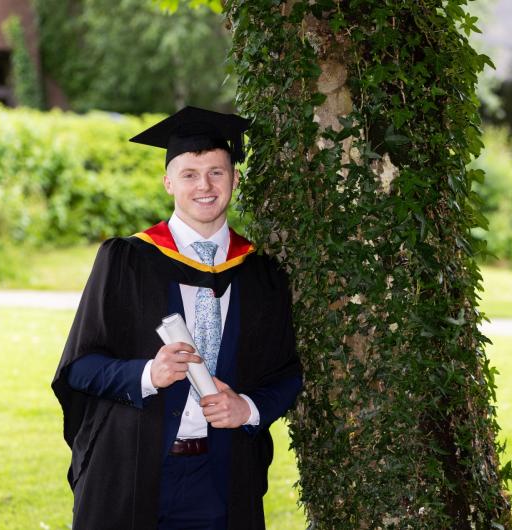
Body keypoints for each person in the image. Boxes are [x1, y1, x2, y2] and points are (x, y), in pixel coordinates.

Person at [52, 106, 303, 530]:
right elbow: (79, 367)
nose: (204, 185)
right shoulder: (127, 261)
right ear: (169, 181)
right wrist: (149, 373)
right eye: (189, 174)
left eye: (216, 172)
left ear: (235, 179)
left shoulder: (262, 274)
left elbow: (287, 372)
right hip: (132, 473)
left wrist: (248, 408)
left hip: (223, 478)